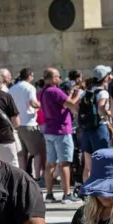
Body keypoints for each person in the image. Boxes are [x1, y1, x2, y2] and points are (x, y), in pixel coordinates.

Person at [41, 68, 83, 204]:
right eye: (58, 76)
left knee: (50, 163)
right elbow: (70, 104)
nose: (60, 79)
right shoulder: (55, 91)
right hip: (62, 130)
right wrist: (77, 95)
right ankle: (67, 194)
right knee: (64, 163)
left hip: (49, 130)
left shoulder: (43, 92)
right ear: (53, 78)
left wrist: (70, 95)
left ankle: (49, 194)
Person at [78, 65, 113, 181]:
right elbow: (100, 110)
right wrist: (110, 113)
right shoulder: (103, 93)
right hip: (99, 128)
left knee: (88, 166)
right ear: (105, 78)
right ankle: (102, 192)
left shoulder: (85, 92)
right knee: (102, 162)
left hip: (87, 129)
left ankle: (87, 193)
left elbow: (75, 107)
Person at [9, 68, 43, 177]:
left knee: (22, 154)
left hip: (16, 123)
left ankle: (22, 176)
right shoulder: (29, 88)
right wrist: (41, 105)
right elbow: (33, 103)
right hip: (29, 123)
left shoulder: (12, 88)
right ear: (29, 76)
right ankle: (37, 176)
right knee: (37, 152)